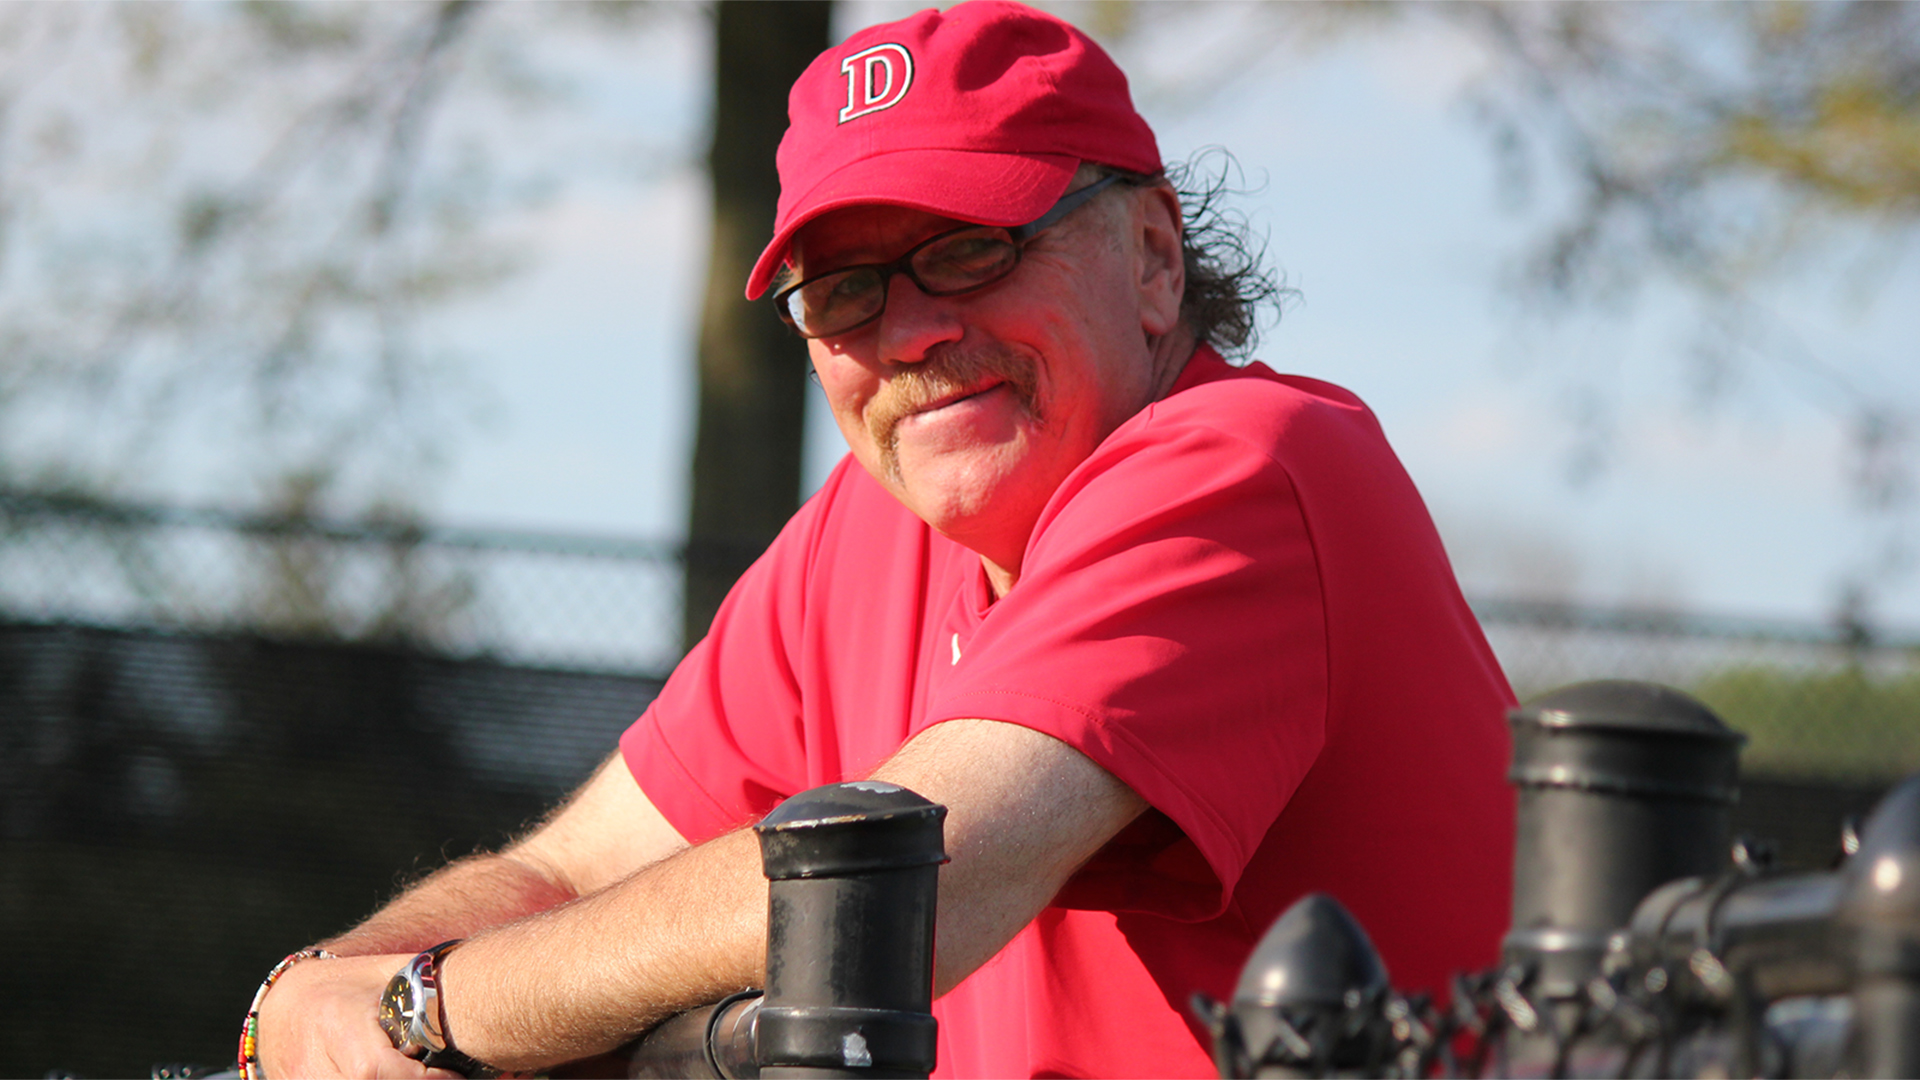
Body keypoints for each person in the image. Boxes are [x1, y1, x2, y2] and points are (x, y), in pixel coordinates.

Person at [248, 3, 1516, 1077]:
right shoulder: (866, 528)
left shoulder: (1245, 462)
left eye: (969, 249)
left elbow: (895, 887)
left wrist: (421, 1012)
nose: (906, 334)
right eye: (846, 289)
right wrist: (331, 985)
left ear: (1151, 258)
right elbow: (575, 868)